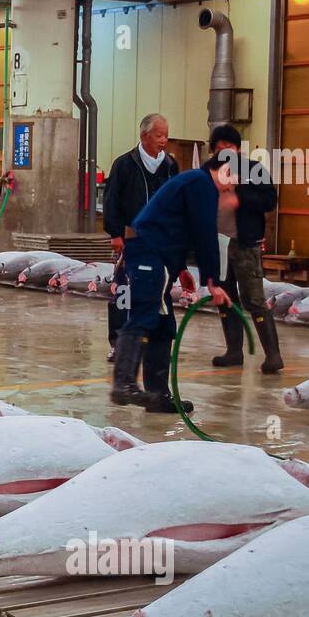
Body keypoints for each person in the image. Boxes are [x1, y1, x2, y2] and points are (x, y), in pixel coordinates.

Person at [109, 154, 235, 413]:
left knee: (164, 325)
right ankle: (123, 382)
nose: (231, 188)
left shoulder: (194, 182)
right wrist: (213, 282)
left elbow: (176, 228)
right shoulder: (202, 185)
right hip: (149, 255)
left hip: (160, 258)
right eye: (232, 180)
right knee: (144, 315)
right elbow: (204, 235)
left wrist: (179, 269)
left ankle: (158, 396)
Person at [103, 113, 179, 361]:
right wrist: (115, 234)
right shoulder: (124, 164)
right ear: (144, 135)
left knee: (157, 290)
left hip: (159, 240)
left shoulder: (170, 165)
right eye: (159, 135)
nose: (163, 140)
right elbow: (111, 200)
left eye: (166, 135)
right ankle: (119, 342)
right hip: (130, 237)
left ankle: (151, 339)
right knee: (123, 291)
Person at [208, 124, 283, 374]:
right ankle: (234, 351)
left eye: (228, 148)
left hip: (245, 244)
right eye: (218, 150)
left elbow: (270, 200)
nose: (223, 154)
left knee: (254, 299)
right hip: (218, 244)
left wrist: (240, 197)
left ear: (238, 149)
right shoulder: (206, 172)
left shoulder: (253, 170)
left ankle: (273, 355)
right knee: (226, 298)